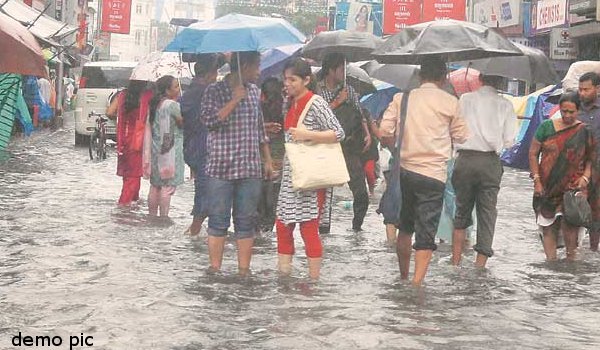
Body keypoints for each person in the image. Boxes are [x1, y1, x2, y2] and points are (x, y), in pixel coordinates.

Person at [379, 56, 469, 286]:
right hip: (433, 176)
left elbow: (384, 131)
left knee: (405, 228)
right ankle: (417, 285)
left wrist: (399, 144)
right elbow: (462, 136)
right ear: (443, 77)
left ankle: (403, 276)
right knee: (426, 233)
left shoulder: (402, 98)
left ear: (420, 76)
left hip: (405, 173)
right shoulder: (450, 103)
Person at [200, 51, 273, 276]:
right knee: (218, 221)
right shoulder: (214, 91)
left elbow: (259, 129)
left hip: (249, 168)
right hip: (220, 168)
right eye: (257, 66)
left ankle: (244, 272)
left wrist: (267, 160)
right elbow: (209, 121)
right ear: (244, 66)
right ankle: (215, 270)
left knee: (246, 222)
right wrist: (234, 100)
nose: (259, 72)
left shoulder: (254, 92)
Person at [276, 58, 345, 280]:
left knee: (308, 227)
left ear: (306, 80)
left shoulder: (315, 103)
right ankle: (284, 276)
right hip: (290, 174)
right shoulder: (288, 102)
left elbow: (338, 133)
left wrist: (308, 135)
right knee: (283, 226)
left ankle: (313, 280)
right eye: (285, 79)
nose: (287, 83)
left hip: (310, 175)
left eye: (292, 79)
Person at [451, 74, 517, 267]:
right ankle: (479, 267)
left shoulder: (465, 99)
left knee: (461, 210)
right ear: (500, 81)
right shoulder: (505, 105)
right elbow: (510, 140)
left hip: (464, 160)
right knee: (487, 213)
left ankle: (455, 262)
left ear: (479, 78)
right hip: (489, 162)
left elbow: (455, 129)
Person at [529, 92, 593, 261]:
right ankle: (551, 263)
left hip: (572, 187)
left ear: (578, 111)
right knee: (548, 225)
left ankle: (570, 262)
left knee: (569, 224)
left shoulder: (584, 131)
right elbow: (533, 153)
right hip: (547, 185)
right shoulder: (546, 127)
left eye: (571, 112)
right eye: (564, 111)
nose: (567, 115)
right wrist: (537, 180)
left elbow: (591, 159)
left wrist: (585, 179)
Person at [317, 52, 371, 232]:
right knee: (323, 195)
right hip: (326, 148)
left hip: (349, 148)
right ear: (331, 70)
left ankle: (357, 228)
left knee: (361, 193)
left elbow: (360, 113)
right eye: (341, 69)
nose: (343, 73)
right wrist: (337, 103)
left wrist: (367, 133)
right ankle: (323, 230)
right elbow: (316, 117)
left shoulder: (349, 90)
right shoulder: (317, 91)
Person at [180, 53, 223, 236]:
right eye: (214, 72)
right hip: (202, 146)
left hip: (194, 146)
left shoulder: (193, 90)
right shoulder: (203, 91)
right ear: (208, 74)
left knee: (204, 188)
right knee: (205, 190)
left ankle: (195, 229)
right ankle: (195, 230)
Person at [107, 80, 153, 207]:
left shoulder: (122, 95)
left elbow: (109, 112)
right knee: (134, 176)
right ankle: (124, 207)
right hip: (140, 140)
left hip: (124, 140)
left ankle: (132, 205)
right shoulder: (148, 96)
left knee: (129, 176)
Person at [145, 75, 184, 217]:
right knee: (167, 186)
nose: (179, 89)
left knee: (155, 185)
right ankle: (164, 218)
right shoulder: (172, 105)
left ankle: (152, 216)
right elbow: (182, 122)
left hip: (156, 148)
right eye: (176, 86)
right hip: (170, 149)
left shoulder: (155, 104)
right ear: (167, 90)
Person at [577, 72, 600, 251]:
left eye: (586, 89)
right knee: (572, 206)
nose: (582, 93)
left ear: (597, 89)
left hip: (598, 167)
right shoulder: (573, 109)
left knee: (596, 209)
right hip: (575, 167)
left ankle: (593, 248)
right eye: (580, 89)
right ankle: (572, 249)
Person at [259, 77, 285, 233]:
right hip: (278, 158)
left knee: (260, 197)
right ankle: (268, 230)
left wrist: (263, 127)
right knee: (274, 197)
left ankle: (259, 232)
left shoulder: (258, 108)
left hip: (261, 157)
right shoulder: (284, 108)